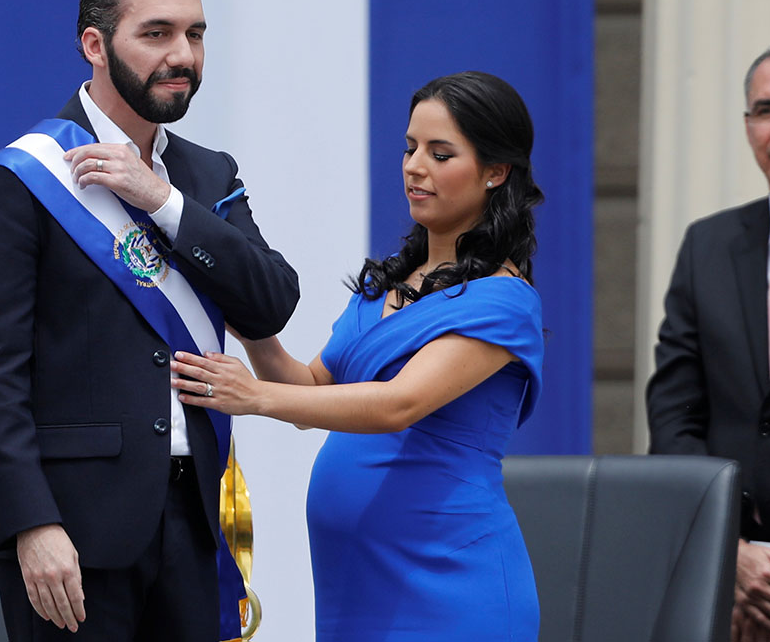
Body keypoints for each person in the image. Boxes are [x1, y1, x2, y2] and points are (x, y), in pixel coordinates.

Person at [0, 0, 299, 642]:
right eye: (157, 34)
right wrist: (31, 522)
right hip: (72, 534)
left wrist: (164, 202)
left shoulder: (205, 174)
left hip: (194, 519)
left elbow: (270, 301)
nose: (183, 55)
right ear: (95, 45)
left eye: (196, 35)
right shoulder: (21, 179)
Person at [172, 71, 545, 641]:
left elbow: (399, 404)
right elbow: (310, 389)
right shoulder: (387, 286)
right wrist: (244, 314)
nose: (415, 166)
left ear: (496, 172)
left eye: (441, 154)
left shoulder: (505, 299)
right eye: (410, 147)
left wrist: (252, 397)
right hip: (357, 584)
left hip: (450, 585)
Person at [647, 43, 770, 642]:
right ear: (748, 125)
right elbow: (675, 416)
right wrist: (732, 549)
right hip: (736, 590)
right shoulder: (708, 247)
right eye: (765, 109)